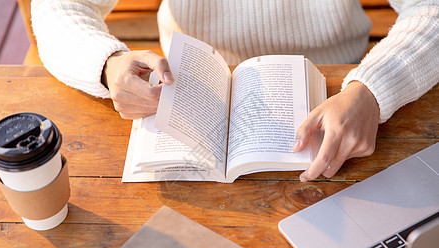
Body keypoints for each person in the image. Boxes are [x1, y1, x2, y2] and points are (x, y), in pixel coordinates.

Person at [31, 0, 438, 182]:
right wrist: (106, 64)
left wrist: (373, 87)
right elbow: (57, 8)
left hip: (339, 91)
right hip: (187, 90)